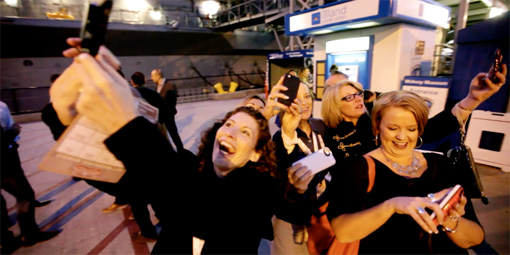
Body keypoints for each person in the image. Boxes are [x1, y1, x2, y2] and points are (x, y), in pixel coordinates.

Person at [46, 40, 282, 254]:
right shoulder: (188, 165)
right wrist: (67, 118)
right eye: (228, 123)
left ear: (256, 153)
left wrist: (128, 125)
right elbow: (119, 179)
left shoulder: (260, 191)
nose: (230, 131)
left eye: (244, 132)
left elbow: (201, 210)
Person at [327, 90, 486, 254]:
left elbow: (476, 238)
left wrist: (448, 218)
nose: (402, 137)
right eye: (393, 128)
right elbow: (343, 232)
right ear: (377, 127)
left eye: (411, 129)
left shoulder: (442, 165)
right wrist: (391, 206)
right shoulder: (357, 168)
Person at [1, 101, 61, 252]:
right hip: (4, 159)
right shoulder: (1, 106)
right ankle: (29, 234)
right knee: (25, 195)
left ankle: (5, 240)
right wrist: (11, 133)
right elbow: (9, 130)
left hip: (7, 154)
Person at [150, 68, 184, 152]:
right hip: (160, 116)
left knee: (173, 134)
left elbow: (172, 102)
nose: (151, 78)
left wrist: (168, 113)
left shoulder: (170, 85)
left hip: (168, 115)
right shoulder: (157, 85)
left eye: (152, 76)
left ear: (158, 75)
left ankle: (181, 151)